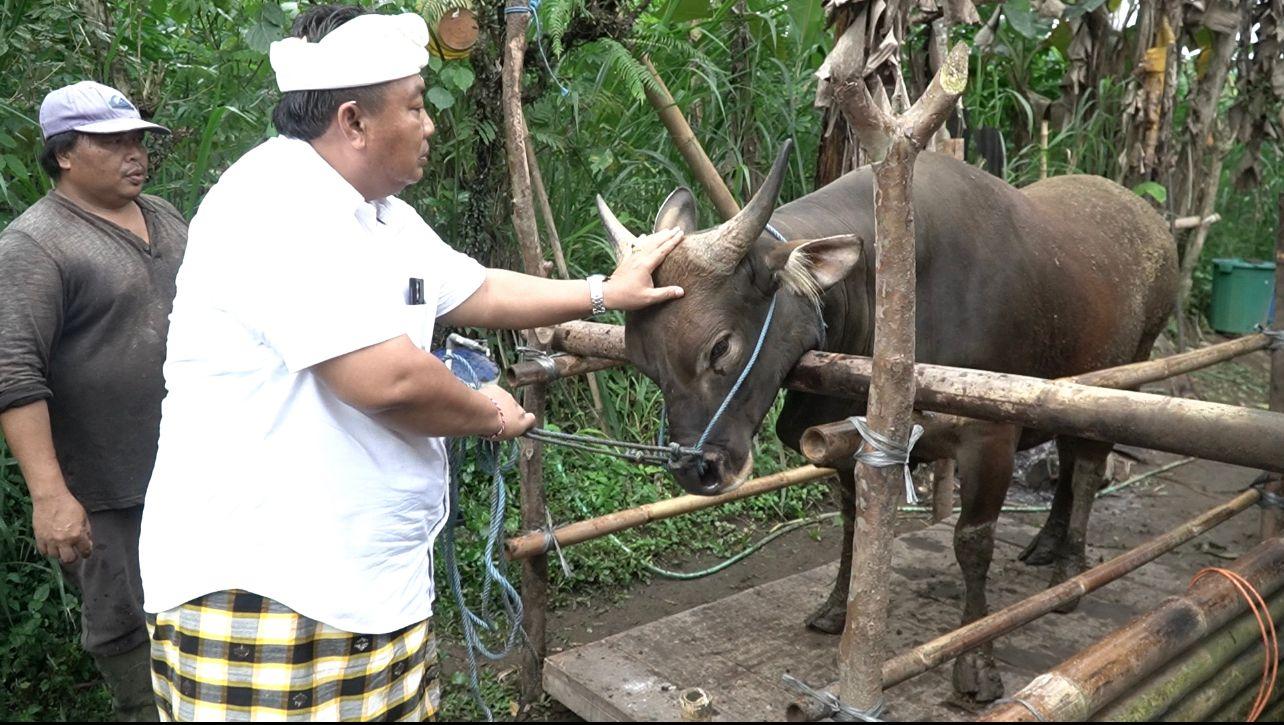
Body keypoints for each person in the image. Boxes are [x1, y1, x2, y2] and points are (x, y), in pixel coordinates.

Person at [138, 5, 683, 721]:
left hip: (362, 581)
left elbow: (478, 286)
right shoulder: (277, 202)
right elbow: (386, 379)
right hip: (269, 588)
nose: (430, 125)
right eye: (417, 106)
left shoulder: (380, 211)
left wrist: (601, 292)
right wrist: (490, 411)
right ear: (353, 121)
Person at [0, 80, 186, 722]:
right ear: (65, 153)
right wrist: (51, 496)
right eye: (111, 142)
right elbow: (12, 371)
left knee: (199, 613)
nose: (133, 153)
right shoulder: (36, 244)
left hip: (193, 471)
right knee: (124, 627)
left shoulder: (163, 216)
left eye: (137, 139)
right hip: (105, 487)